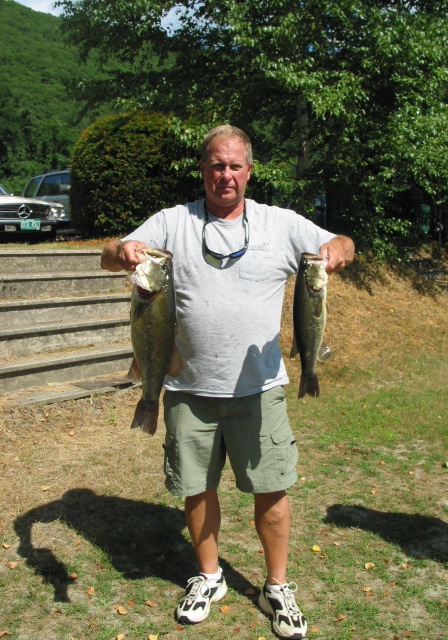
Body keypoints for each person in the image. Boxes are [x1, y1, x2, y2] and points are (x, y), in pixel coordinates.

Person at [101, 125, 354, 639]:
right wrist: (122, 251)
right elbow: (110, 253)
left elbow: (340, 241)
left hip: (260, 390)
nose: (226, 175)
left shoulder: (280, 224)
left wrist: (339, 250)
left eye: (235, 166)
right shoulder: (173, 222)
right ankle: (210, 575)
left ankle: (277, 586)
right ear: (203, 169)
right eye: (217, 165)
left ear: (249, 171)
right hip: (188, 389)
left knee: (272, 491)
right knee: (197, 488)